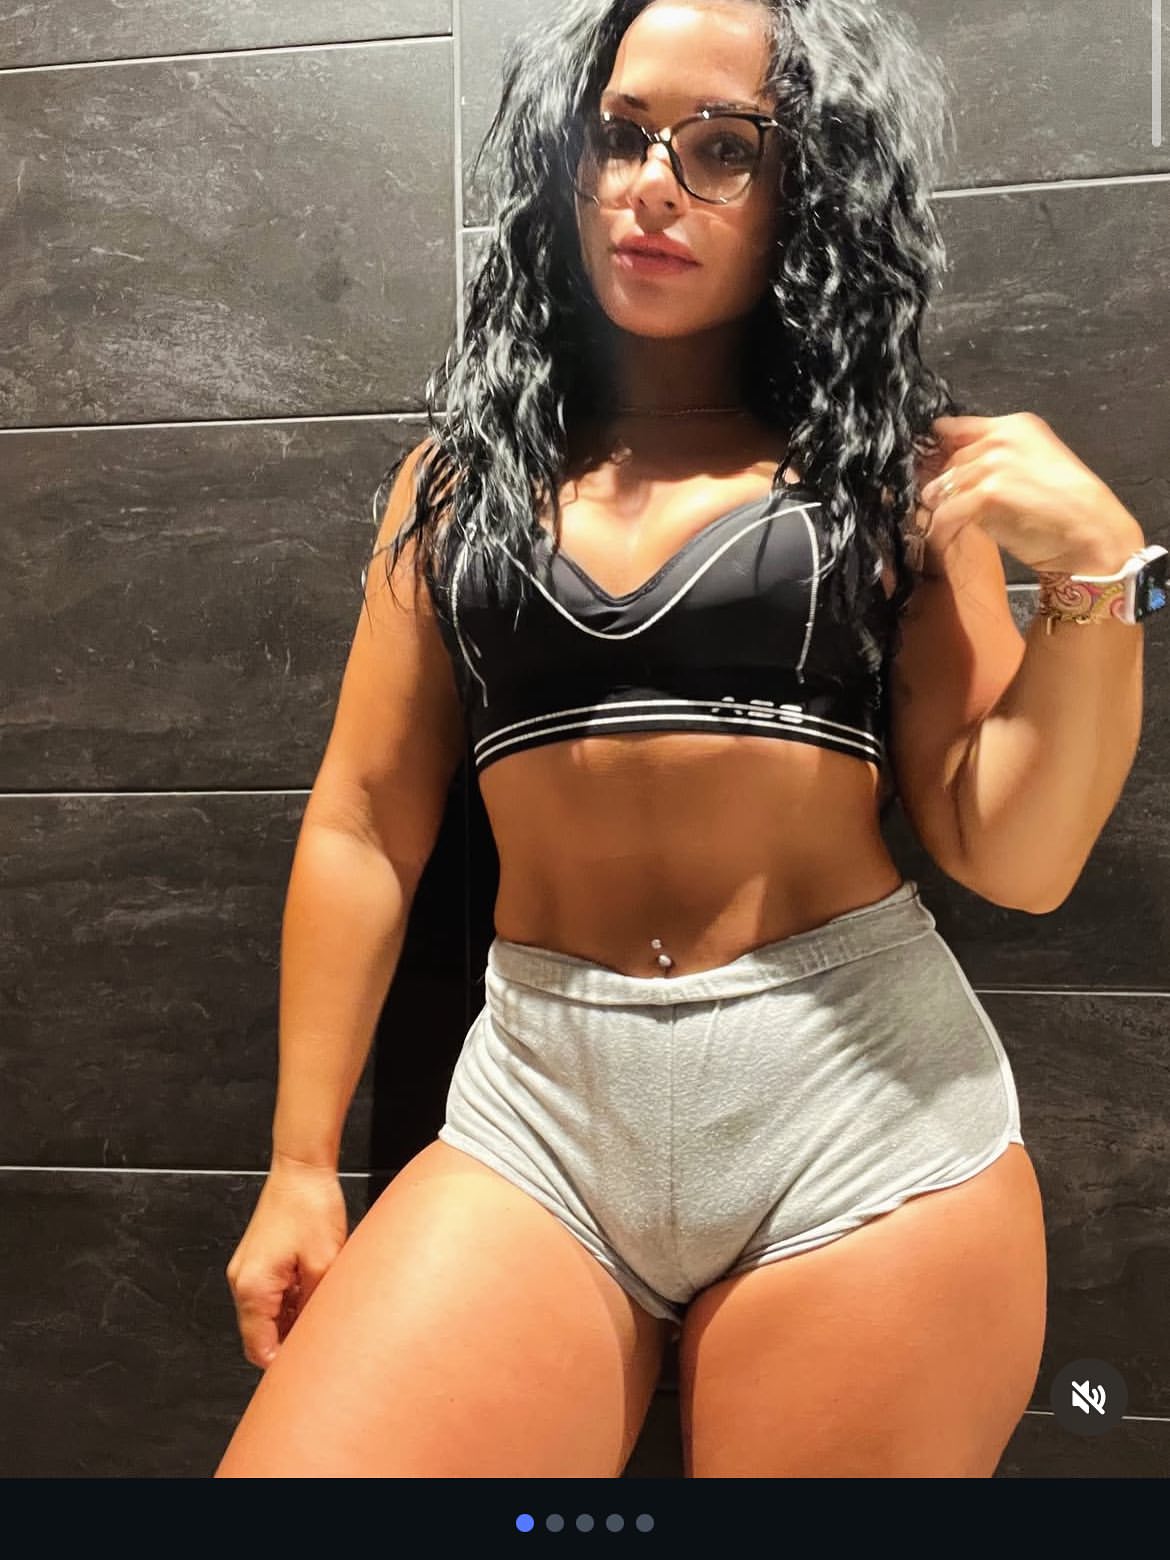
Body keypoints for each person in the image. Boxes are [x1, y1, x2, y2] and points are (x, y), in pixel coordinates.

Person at [216, 0, 1047, 1478]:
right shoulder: (456, 484)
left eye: (723, 148)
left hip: (857, 1114)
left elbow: (1013, 854)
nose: (652, 183)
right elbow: (363, 817)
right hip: (539, 1111)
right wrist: (297, 1162)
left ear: (807, 190)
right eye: (619, 135)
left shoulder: (891, 475)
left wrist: (1105, 592)